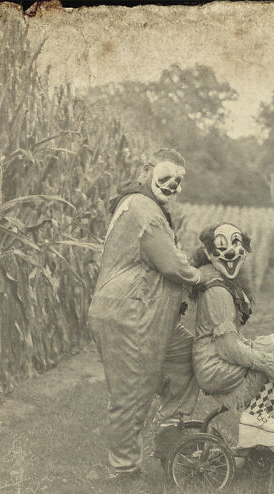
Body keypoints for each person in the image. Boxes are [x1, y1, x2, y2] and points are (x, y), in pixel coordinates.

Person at [87, 148, 203, 477]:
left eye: (178, 181)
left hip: (147, 314)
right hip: (130, 313)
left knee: (186, 358)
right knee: (132, 390)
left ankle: (170, 434)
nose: (172, 186)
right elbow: (169, 264)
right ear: (146, 170)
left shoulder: (141, 203)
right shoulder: (144, 209)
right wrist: (201, 276)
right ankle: (123, 472)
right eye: (165, 177)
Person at [190, 222, 274, 448]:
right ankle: (255, 420)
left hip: (217, 360)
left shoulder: (223, 281)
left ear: (245, 251)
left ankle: (256, 422)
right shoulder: (218, 291)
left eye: (236, 244)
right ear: (210, 254)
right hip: (216, 366)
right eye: (221, 247)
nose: (230, 252)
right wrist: (270, 365)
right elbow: (228, 348)